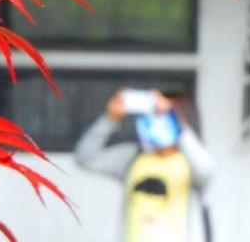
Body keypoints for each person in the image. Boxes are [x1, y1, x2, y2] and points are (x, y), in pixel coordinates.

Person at [74, 88, 215, 242]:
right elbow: (85, 158)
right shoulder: (133, 157)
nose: (159, 119)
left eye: (165, 116)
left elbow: (206, 171)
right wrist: (109, 119)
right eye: (155, 114)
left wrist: (177, 122)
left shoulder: (191, 163)